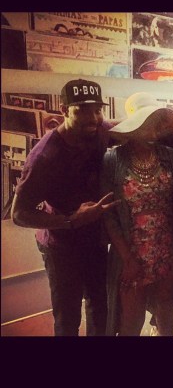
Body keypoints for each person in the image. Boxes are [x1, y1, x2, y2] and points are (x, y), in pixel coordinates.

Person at [11, 78, 120, 336]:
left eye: (97, 109)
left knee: (101, 307)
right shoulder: (44, 156)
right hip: (60, 244)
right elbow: (19, 214)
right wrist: (71, 220)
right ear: (64, 110)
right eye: (82, 110)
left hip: (94, 237)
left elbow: (131, 126)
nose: (93, 118)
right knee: (68, 316)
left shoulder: (100, 130)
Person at [100, 104, 173, 336]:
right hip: (131, 251)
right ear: (134, 126)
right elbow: (109, 214)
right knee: (131, 320)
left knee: (165, 309)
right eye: (147, 125)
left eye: (157, 125)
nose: (154, 131)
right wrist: (127, 259)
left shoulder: (170, 157)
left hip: (166, 247)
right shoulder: (113, 159)